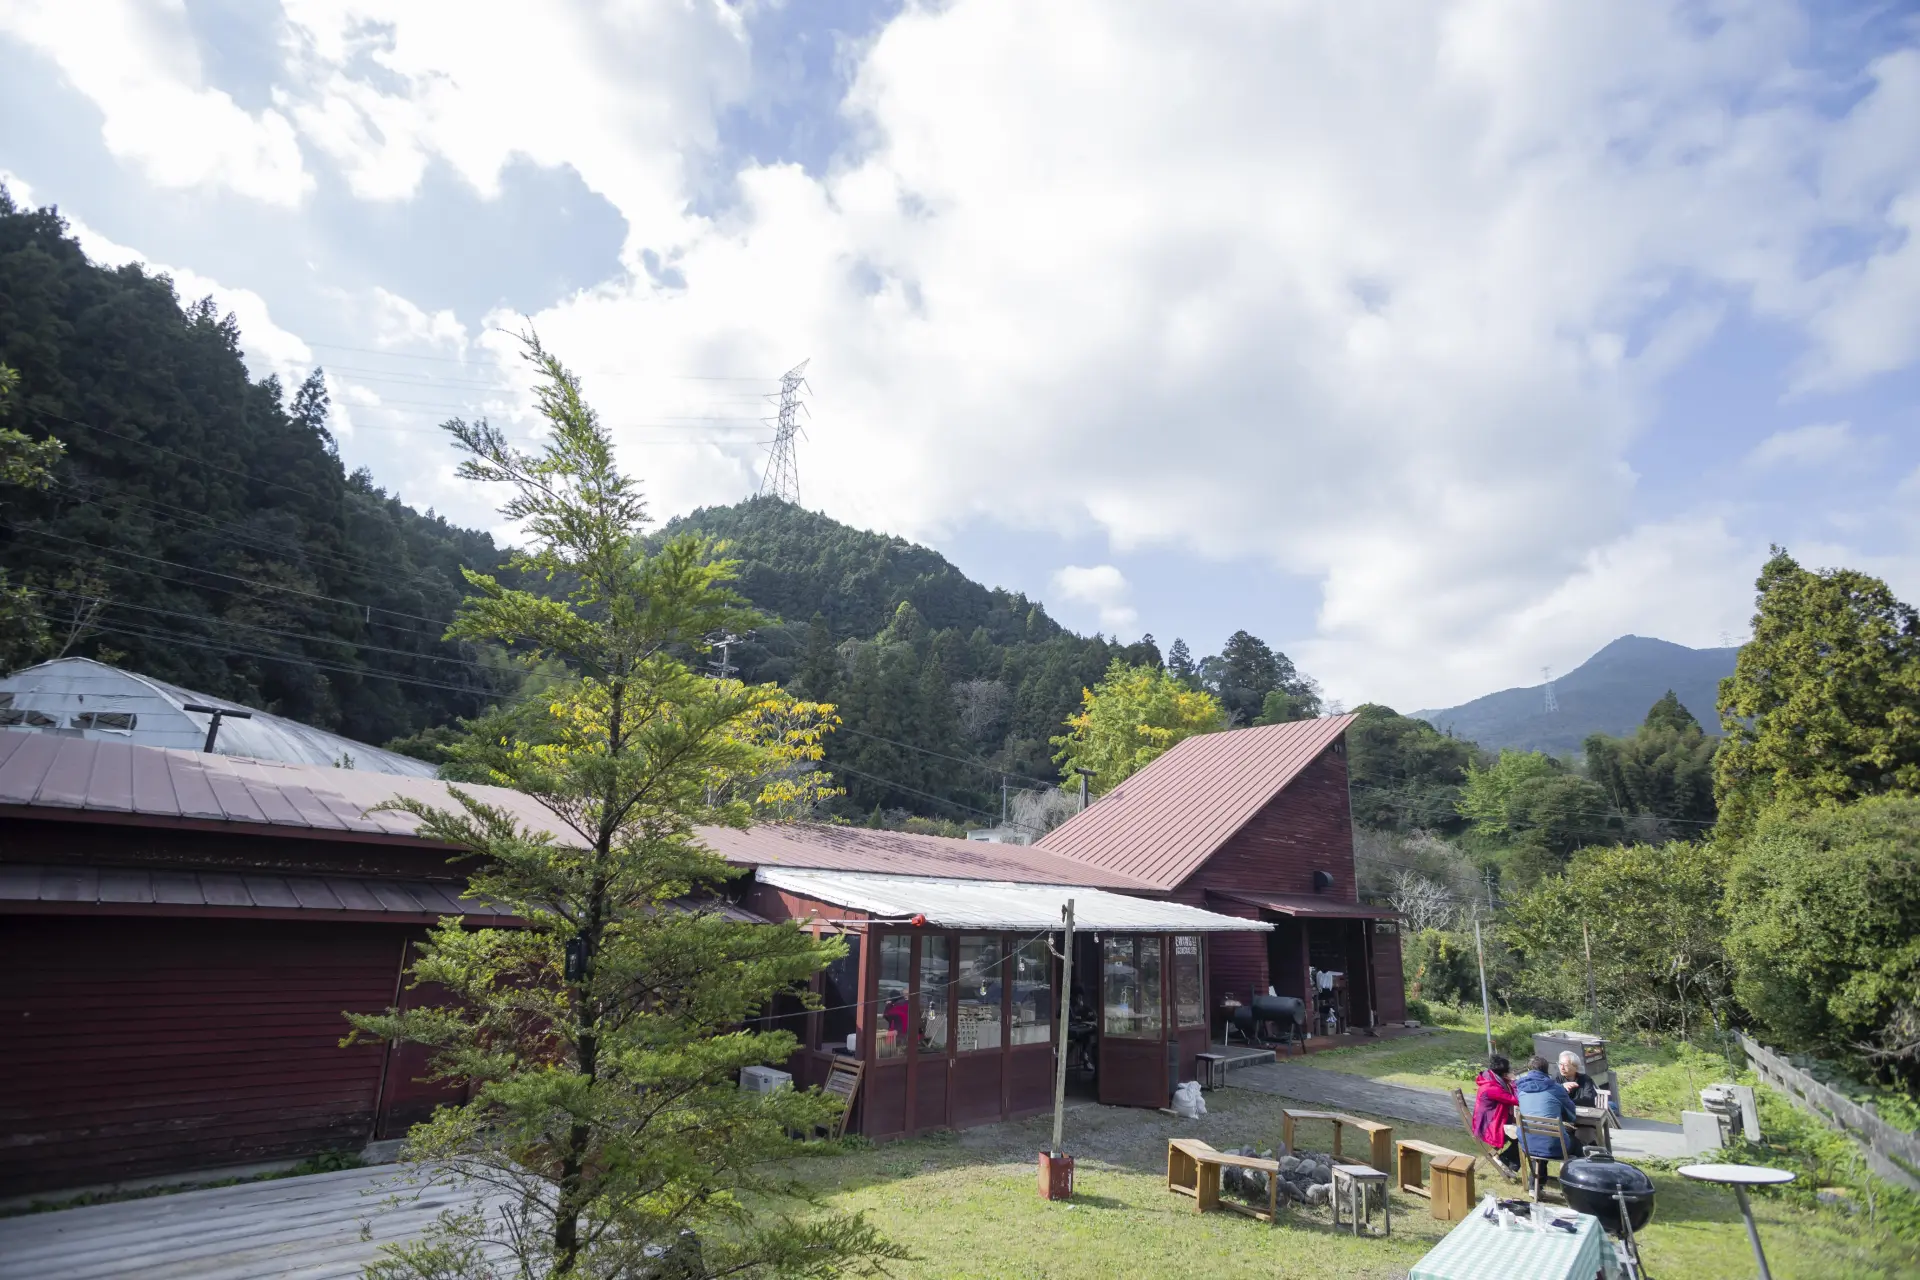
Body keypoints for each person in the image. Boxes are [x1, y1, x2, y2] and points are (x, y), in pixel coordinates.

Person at [1516, 1054, 1582, 1189]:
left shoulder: (1520, 1088)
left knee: (1542, 1139)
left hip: (1527, 1143)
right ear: (1547, 1070)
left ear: (1529, 1069)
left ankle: (1535, 1186)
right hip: (1552, 1144)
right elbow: (1571, 1115)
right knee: (1577, 1144)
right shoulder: (1556, 1088)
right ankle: (1575, 1185)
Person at [1472, 1054, 1522, 1175]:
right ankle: (1504, 1162)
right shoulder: (1491, 1087)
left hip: (1491, 1122)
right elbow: (1516, 1099)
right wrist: (1514, 1082)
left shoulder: (1491, 1079)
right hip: (1489, 1127)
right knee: (1524, 1138)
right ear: (1503, 1073)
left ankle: (1507, 1163)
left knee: (1521, 1138)